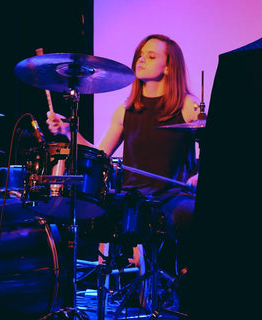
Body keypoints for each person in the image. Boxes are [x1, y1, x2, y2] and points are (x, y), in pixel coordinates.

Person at [46, 34, 200, 311]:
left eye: (151, 56)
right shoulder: (126, 109)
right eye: (140, 54)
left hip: (171, 195)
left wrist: (200, 176)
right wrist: (69, 131)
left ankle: (191, 291)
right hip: (133, 198)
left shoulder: (188, 105)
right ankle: (111, 295)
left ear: (168, 67)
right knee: (91, 211)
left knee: (193, 213)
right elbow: (100, 155)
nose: (141, 59)